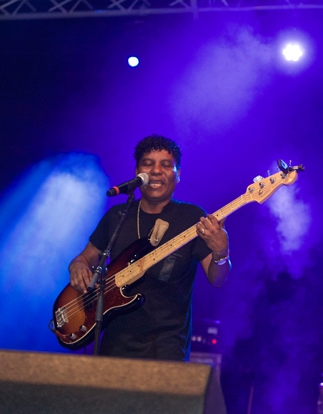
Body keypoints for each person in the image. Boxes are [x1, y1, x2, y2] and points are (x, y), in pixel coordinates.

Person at [68, 134, 231, 361]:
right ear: (137, 172)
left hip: (167, 347)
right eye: (148, 164)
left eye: (166, 165)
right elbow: (84, 258)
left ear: (178, 174)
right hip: (115, 344)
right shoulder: (118, 216)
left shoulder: (193, 218)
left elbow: (217, 279)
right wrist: (77, 267)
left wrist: (221, 253)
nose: (156, 171)